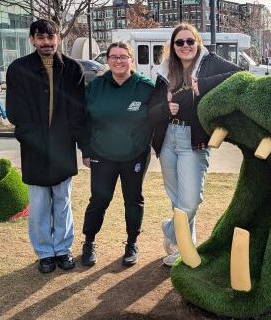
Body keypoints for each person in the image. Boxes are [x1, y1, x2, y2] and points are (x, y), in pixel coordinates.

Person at [148, 23, 241, 267]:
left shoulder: (210, 63)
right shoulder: (165, 71)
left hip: (194, 139)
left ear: (198, 42)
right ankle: (183, 250)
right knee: (177, 197)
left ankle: (170, 229)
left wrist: (204, 86)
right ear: (173, 46)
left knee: (190, 201)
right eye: (180, 42)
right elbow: (150, 111)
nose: (186, 46)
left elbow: (241, 75)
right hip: (168, 138)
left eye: (190, 41)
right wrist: (165, 109)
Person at [6, 19, 89, 274]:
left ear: (59, 39)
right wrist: (31, 138)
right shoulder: (19, 69)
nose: (46, 43)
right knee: (40, 203)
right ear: (32, 40)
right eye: (40, 38)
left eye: (51, 37)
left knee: (62, 201)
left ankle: (63, 249)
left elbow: (79, 112)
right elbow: (15, 112)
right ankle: (44, 253)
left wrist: (85, 148)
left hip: (63, 148)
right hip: (34, 148)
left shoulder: (73, 69)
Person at [80, 41, 155, 267]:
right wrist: (86, 151)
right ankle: (89, 242)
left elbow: (158, 118)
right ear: (108, 60)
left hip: (135, 155)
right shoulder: (95, 87)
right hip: (102, 155)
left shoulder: (146, 87)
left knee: (133, 200)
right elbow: (83, 121)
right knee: (100, 199)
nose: (119, 61)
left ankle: (131, 243)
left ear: (131, 60)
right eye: (114, 57)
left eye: (123, 57)